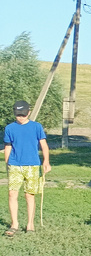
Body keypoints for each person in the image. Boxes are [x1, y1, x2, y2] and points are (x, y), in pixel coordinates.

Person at [4, 100, 51, 235]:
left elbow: (43, 145)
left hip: (32, 165)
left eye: (23, 114)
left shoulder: (36, 127)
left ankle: (30, 224)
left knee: (29, 195)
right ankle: (14, 224)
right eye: (18, 114)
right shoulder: (9, 128)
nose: (21, 117)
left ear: (28, 113)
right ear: (14, 113)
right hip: (15, 165)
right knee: (12, 193)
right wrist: (7, 164)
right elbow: (8, 146)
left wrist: (46, 161)